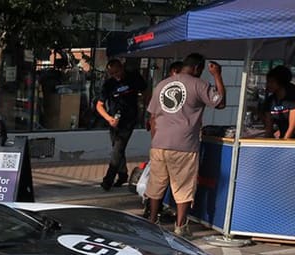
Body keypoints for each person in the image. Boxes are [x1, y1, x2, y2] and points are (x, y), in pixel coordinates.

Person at [147, 53, 226, 238]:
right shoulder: (199, 84)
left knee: (156, 185)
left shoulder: (162, 84)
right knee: (183, 187)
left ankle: (152, 221)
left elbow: (152, 117)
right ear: (198, 68)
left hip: (159, 143)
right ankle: (180, 226)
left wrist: (155, 139)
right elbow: (220, 103)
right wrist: (217, 76)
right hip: (184, 144)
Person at [96, 59, 147, 190]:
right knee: (117, 149)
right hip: (114, 120)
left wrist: (147, 110)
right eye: (112, 73)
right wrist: (109, 118)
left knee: (118, 148)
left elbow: (146, 92)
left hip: (129, 119)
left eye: (117, 72)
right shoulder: (109, 84)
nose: (116, 75)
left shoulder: (133, 78)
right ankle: (123, 174)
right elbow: (99, 105)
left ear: (122, 68)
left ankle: (108, 180)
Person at [262, 65, 295, 140]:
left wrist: (284, 142)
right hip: (283, 139)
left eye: (272, 82)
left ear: (281, 83)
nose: (268, 85)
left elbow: (292, 128)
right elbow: (268, 128)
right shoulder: (270, 101)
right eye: (268, 81)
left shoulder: (292, 98)